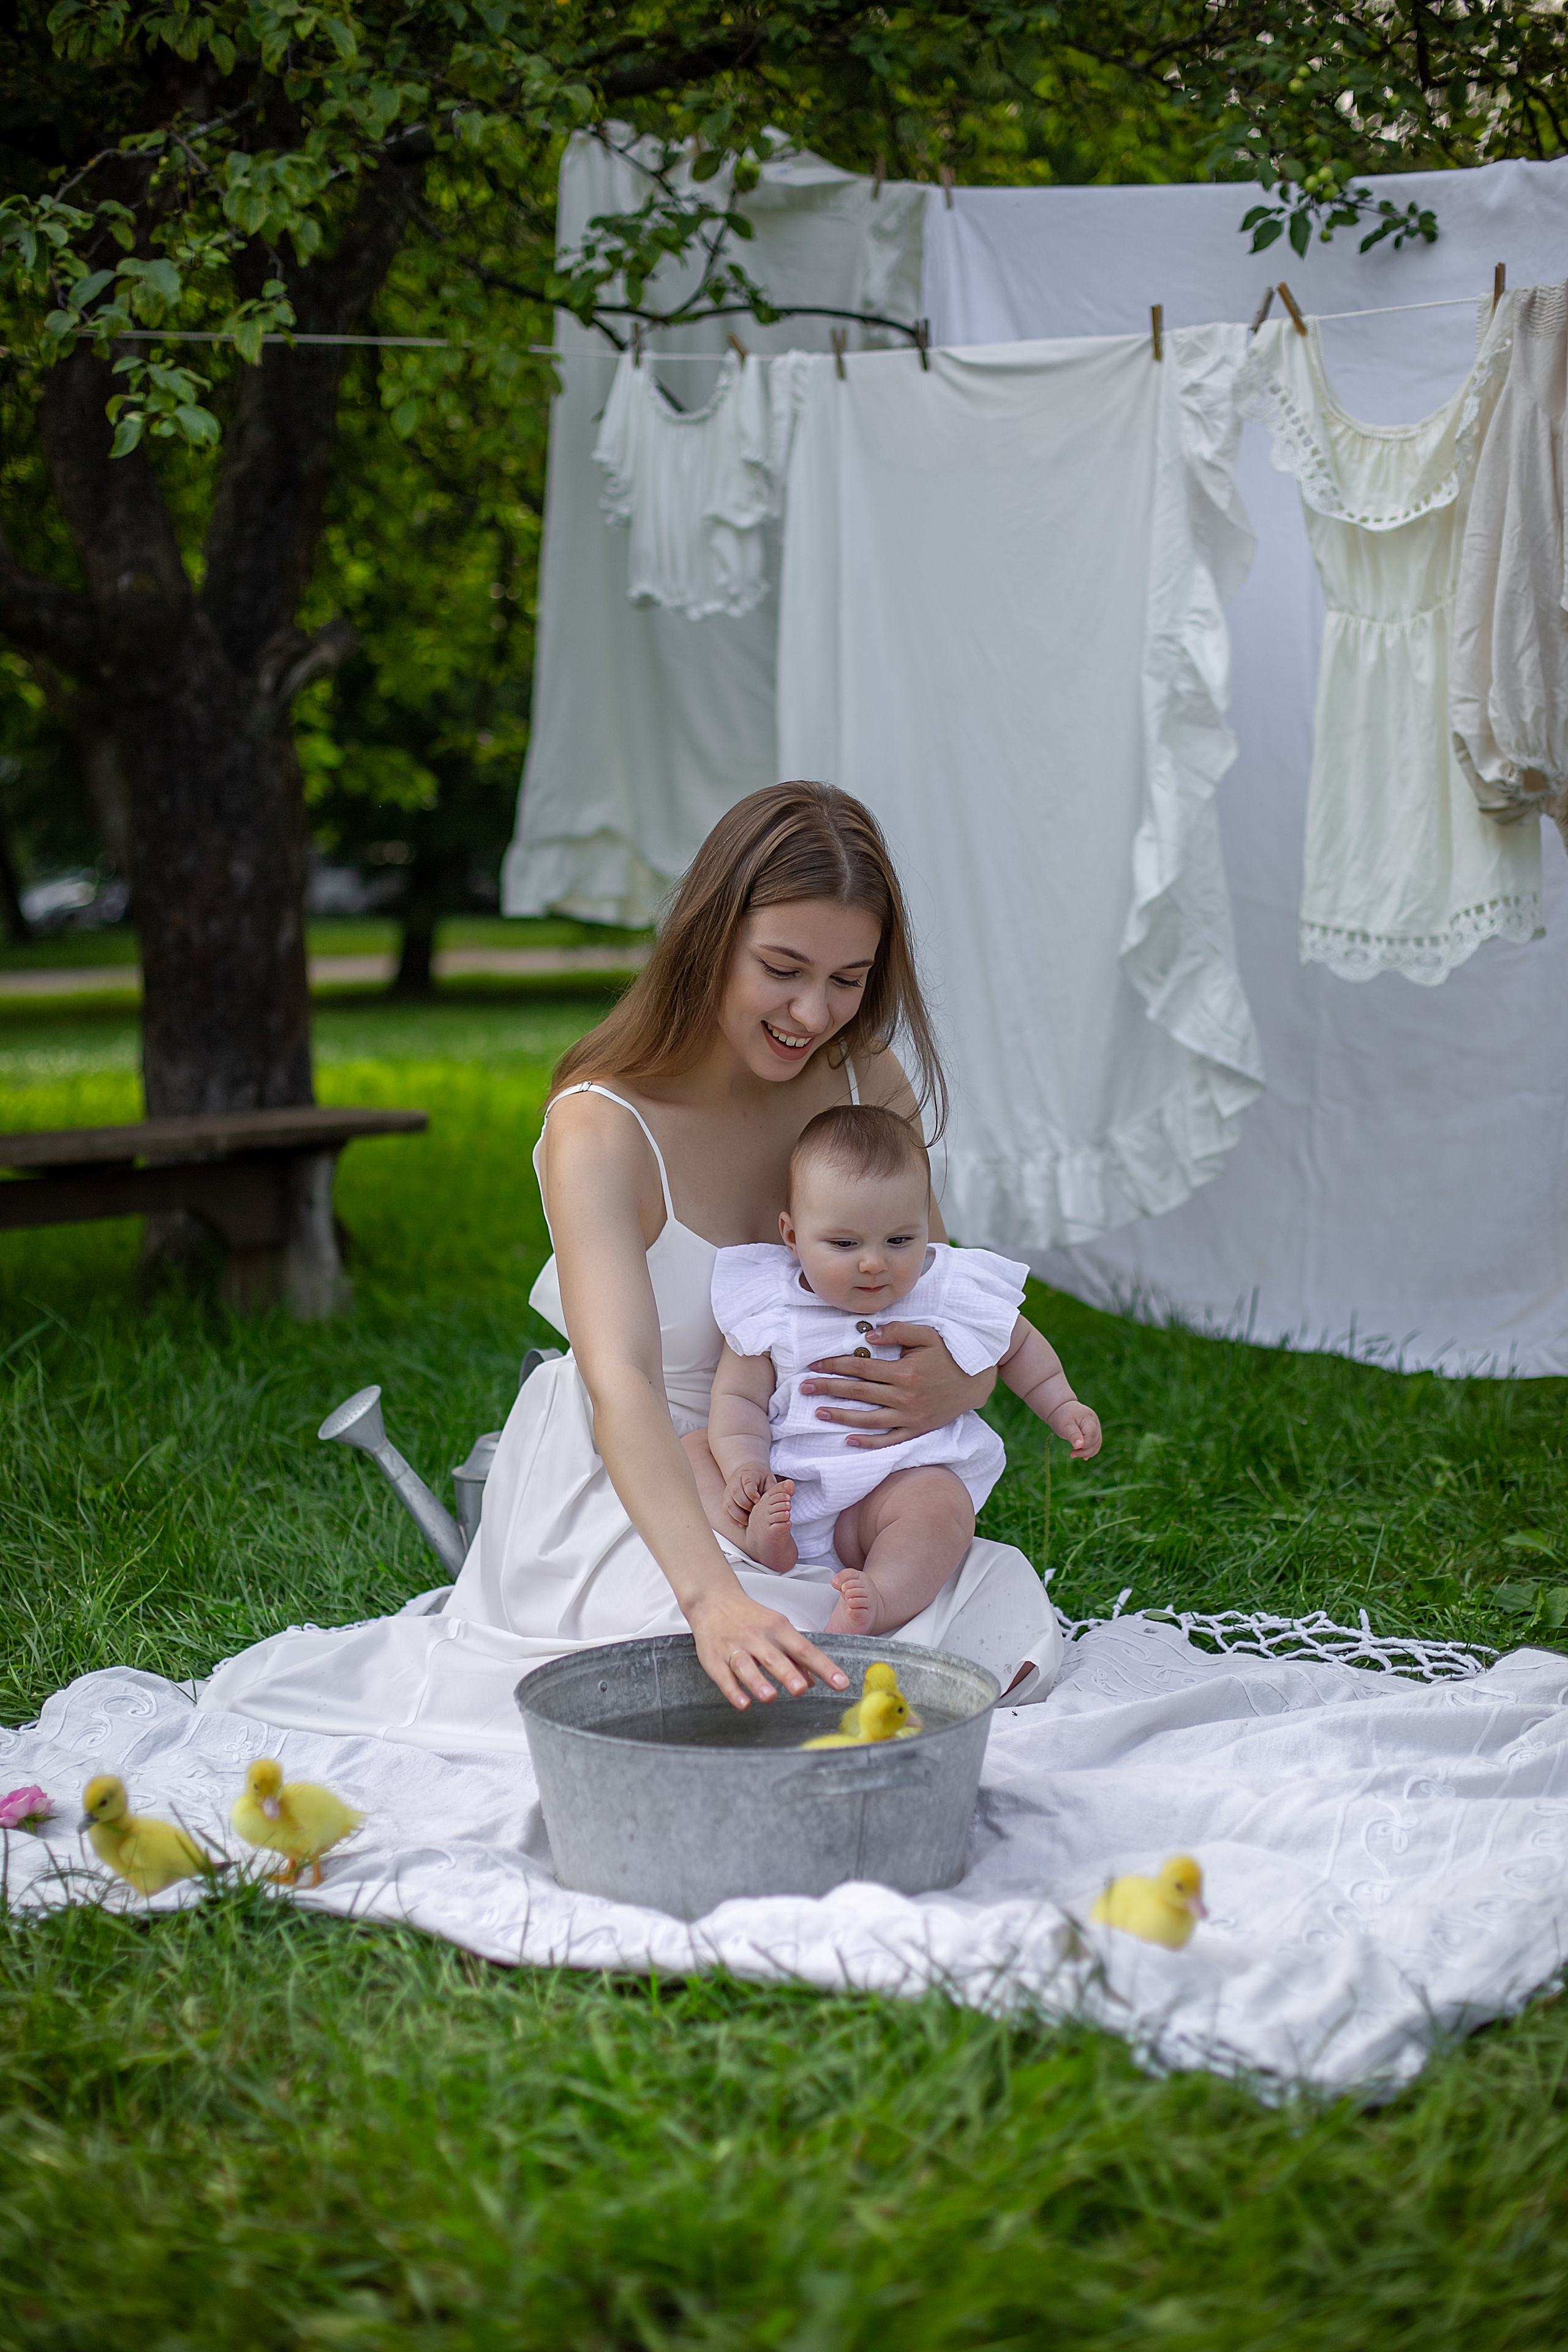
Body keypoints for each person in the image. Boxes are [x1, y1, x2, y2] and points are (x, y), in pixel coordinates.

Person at [199, 783, 1063, 1751]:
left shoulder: (867, 1082)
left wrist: (967, 1378)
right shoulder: (604, 1125)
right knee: (716, 1668)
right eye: (782, 968)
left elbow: (943, 1298)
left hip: (827, 1480)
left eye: (850, 979)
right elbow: (623, 1386)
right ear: (710, 939)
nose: (814, 1012)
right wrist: (713, 1601)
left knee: (979, 1614)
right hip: (638, 1473)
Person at [703, 1102, 1101, 1635]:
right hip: (789, 1487)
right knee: (690, 1452)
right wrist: (744, 1467)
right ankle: (756, 1538)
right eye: (844, 1244)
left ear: (925, 1230)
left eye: (899, 1240)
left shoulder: (945, 1287)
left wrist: (1062, 1403)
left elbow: (1017, 1341)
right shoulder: (774, 1301)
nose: (874, 1263)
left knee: (940, 1505)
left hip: (896, 1482)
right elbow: (738, 1400)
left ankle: (882, 1596)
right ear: (792, 1236)